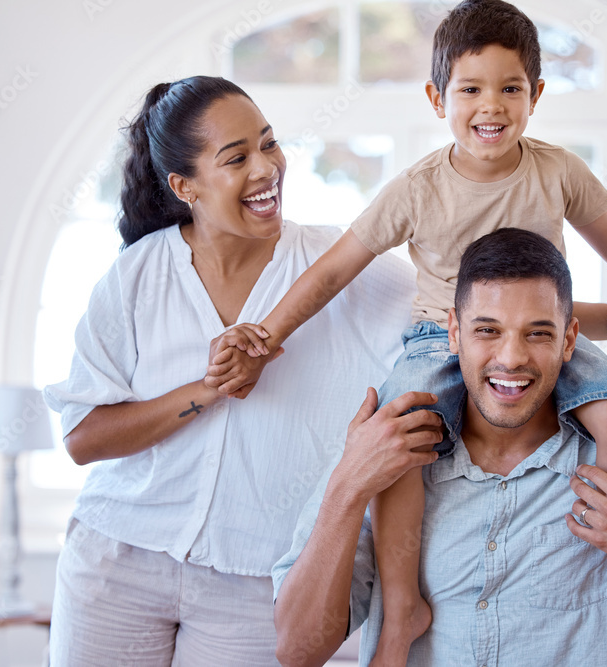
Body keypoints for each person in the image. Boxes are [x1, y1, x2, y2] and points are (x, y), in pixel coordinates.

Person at [207, 1, 607, 662]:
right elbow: (335, 268)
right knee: (404, 430)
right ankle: (402, 605)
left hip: (547, 341)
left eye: (510, 88)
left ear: (536, 95)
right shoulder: (418, 188)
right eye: (471, 90)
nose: (492, 106)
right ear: (437, 98)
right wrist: (264, 333)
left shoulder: (556, 171)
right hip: (437, 341)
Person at [41, 75, 420, 665]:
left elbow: (469, 315)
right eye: (237, 157)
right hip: (117, 559)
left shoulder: (338, 267)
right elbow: (83, 438)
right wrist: (208, 389)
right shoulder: (136, 276)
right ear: (183, 185)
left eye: (269, 145)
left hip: (255, 579)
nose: (266, 168)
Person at [272, 229, 607, 667]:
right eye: (487, 330)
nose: (511, 358)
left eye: (538, 333)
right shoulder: (384, 458)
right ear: (453, 332)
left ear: (570, 339)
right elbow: (298, 652)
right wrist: (346, 488)